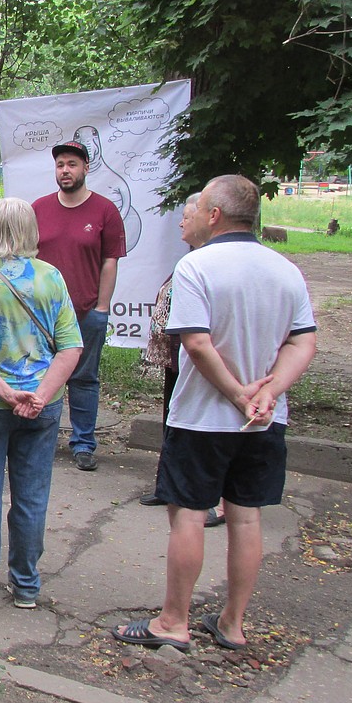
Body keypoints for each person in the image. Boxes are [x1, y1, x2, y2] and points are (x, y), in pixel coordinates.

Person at [113, 175, 316, 652]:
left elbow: (197, 343)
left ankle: (173, 621)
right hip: (265, 421)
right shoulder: (286, 270)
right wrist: (268, 392)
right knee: (246, 519)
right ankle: (232, 623)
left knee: (187, 515)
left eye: (200, 204)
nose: (195, 212)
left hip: (202, 419)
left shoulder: (196, 267)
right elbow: (302, 340)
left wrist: (237, 394)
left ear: (215, 215)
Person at [0, 198, 83, 608]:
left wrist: (7, 394)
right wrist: (39, 396)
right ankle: (26, 583)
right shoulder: (51, 278)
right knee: (31, 495)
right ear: (31, 229)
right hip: (42, 406)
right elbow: (71, 348)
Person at [33, 140, 127, 471]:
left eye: (72, 164)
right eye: (60, 165)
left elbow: (110, 261)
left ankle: (83, 443)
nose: (65, 170)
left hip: (86, 312)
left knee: (84, 379)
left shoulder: (105, 211)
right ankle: (39, 435)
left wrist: (102, 308)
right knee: (40, 375)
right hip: (42, 315)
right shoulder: (39, 209)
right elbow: (27, 259)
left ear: (86, 168)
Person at [139, 194, 226, 527]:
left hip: (200, 357)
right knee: (172, 418)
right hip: (177, 357)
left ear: (207, 219)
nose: (181, 222)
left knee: (202, 424)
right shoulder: (191, 257)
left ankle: (212, 500)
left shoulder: (210, 260)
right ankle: (169, 485)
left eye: (188, 217)